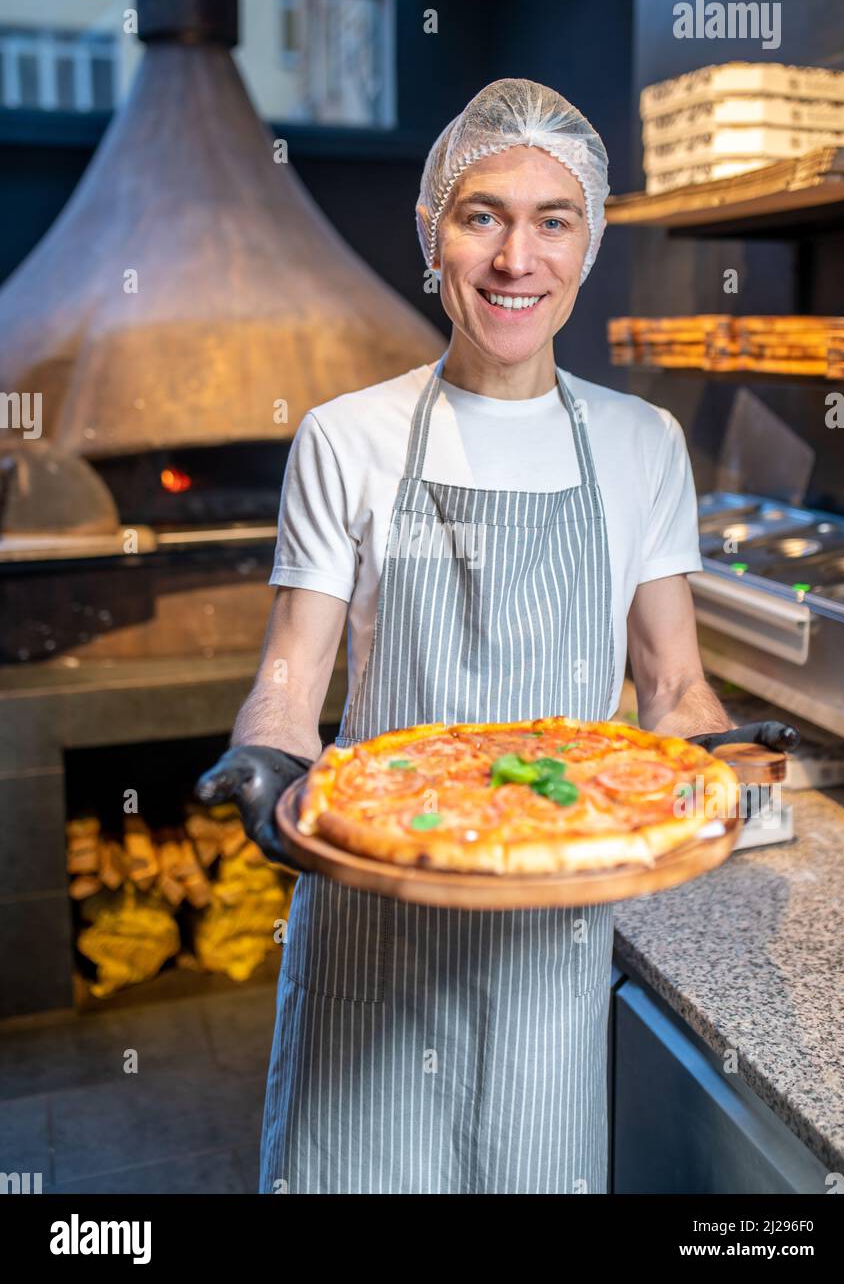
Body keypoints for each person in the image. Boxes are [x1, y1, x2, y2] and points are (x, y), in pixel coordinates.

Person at [197, 78, 798, 1195]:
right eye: (482, 216)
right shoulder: (347, 437)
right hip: (376, 911)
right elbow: (292, 669)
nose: (515, 258)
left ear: (588, 242)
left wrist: (716, 754)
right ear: (434, 234)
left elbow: (674, 689)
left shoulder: (641, 442)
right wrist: (270, 749)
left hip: (551, 932)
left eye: (551, 220)